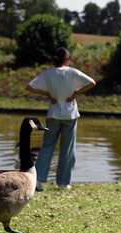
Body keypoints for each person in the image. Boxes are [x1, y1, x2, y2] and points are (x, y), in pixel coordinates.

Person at [26, 47, 96, 191]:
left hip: (53, 115)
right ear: (67, 59)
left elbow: (30, 87)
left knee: (46, 147)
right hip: (70, 115)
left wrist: (48, 95)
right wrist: (76, 92)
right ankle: (64, 183)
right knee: (67, 149)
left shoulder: (48, 73)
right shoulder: (73, 72)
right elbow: (92, 83)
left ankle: (38, 181)